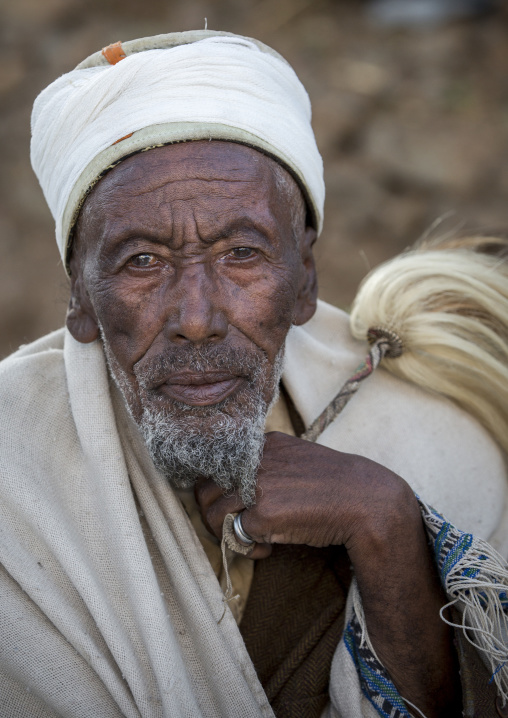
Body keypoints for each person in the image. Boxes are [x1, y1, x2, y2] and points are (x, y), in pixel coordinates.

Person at [1, 30, 507, 718]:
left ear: (304, 280)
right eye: (142, 262)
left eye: (241, 253)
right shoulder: (13, 478)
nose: (199, 319)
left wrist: (386, 528)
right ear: (79, 300)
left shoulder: (426, 437)